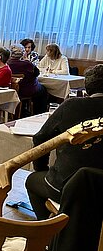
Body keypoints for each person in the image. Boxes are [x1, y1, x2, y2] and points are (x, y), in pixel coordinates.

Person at [25, 64, 103, 222]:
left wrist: (42, 169)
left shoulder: (72, 105)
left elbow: (41, 138)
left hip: (67, 186)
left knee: (32, 181)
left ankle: (47, 229)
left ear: (86, 89)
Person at [7, 44, 48, 116]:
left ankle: (24, 110)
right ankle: (39, 113)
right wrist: (27, 60)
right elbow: (37, 73)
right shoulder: (27, 64)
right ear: (22, 53)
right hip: (27, 89)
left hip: (12, 89)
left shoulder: (8, 63)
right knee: (43, 90)